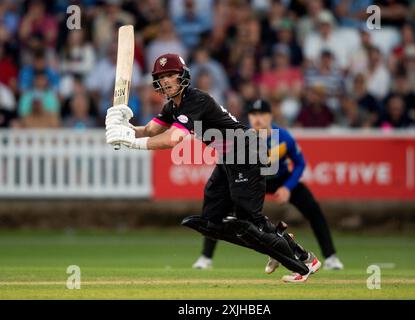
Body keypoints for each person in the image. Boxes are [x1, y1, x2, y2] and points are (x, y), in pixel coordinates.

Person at [105, 53, 321, 283]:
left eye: (171, 75)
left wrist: (131, 142)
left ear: (183, 76)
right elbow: (149, 130)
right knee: (212, 220)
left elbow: (173, 139)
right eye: (162, 76)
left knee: (248, 218)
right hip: (229, 157)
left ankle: (301, 263)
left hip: (245, 152)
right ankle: (287, 251)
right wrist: (122, 125)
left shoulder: (195, 100)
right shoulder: (173, 107)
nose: (166, 80)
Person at [193, 99, 344, 272]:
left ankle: (331, 257)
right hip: (253, 181)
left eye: (262, 114)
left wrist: (288, 187)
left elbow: (300, 163)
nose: (257, 118)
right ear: (248, 117)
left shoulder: (283, 137)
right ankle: (206, 257)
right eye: (253, 114)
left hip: (280, 179)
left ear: (270, 116)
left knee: (313, 209)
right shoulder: (242, 137)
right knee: (222, 211)